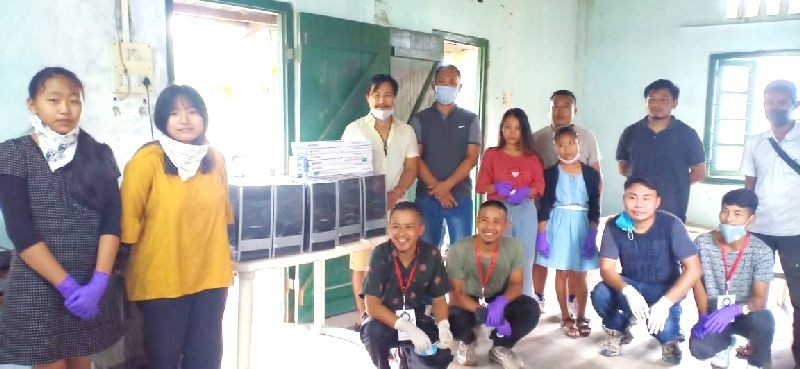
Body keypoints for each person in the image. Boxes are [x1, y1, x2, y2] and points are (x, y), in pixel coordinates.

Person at [0, 67, 123, 368]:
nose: (65, 109)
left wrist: (98, 282)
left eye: (74, 100)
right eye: (54, 100)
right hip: (38, 285)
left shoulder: (100, 153)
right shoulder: (14, 153)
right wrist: (67, 286)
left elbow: (111, 221)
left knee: (82, 364)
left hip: (90, 281)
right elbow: (21, 232)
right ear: (33, 104)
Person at [120, 85, 233, 369]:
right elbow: (127, 221)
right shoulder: (147, 161)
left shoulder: (215, 159)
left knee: (206, 356)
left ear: (203, 117)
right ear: (163, 121)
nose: (185, 120)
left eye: (192, 111)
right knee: (164, 358)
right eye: (174, 113)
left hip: (210, 276)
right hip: (162, 278)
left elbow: (223, 215)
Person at [591, 176, 701, 365]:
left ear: (657, 201)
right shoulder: (614, 225)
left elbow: (694, 268)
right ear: (624, 198)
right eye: (632, 197)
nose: (639, 204)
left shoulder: (672, 224)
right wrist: (627, 290)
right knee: (601, 293)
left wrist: (666, 303)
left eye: (646, 198)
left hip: (665, 289)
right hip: (632, 285)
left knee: (665, 331)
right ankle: (619, 329)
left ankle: (670, 337)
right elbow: (607, 268)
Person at [342, 74, 419, 328]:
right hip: (363, 209)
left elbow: (411, 167)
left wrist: (395, 194)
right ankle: (364, 316)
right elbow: (346, 168)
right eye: (377, 95)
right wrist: (370, 199)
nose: (382, 101)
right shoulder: (355, 130)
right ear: (368, 97)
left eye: (387, 95)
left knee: (396, 262)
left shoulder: (406, 131)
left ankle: (391, 314)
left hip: (397, 208)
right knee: (361, 264)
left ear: (394, 98)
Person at [741, 79, 800, 365]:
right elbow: (748, 186)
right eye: (770, 102)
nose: (775, 107)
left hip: (796, 231)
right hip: (760, 229)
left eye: (782, 102)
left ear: (794, 105)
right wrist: (742, 222)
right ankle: (756, 344)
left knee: (799, 293)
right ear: (763, 106)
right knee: (755, 291)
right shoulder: (756, 142)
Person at [531, 89, 602, 313]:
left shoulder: (587, 136)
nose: (560, 111)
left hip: (579, 210)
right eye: (555, 106)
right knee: (541, 256)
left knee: (575, 257)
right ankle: (538, 295)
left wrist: (593, 216)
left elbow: (596, 174)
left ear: (574, 110)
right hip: (546, 208)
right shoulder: (538, 137)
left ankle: (573, 300)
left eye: (566, 106)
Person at [360, 202, 453, 369]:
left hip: (417, 319)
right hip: (384, 321)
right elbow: (371, 306)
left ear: (420, 230)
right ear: (389, 228)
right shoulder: (380, 254)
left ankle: (407, 356)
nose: (401, 233)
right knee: (372, 331)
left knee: (439, 357)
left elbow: (439, 298)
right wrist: (407, 327)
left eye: (409, 227)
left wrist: (443, 325)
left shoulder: (431, 254)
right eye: (396, 226)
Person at [446, 200, 539, 369]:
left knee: (530, 308)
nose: (489, 227)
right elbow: (456, 294)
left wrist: (501, 302)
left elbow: (517, 284)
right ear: (477, 221)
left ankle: (500, 346)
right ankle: (468, 341)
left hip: (498, 295)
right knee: (452, 318)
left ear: (505, 226)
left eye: (497, 222)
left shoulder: (514, 246)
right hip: (467, 298)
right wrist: (484, 313)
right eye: (484, 220)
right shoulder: (457, 250)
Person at [689, 189, 774, 369]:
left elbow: (759, 301)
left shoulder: (762, 251)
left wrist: (735, 309)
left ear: (751, 220)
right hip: (715, 313)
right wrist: (703, 315)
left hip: (746, 312)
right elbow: (697, 284)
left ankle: (757, 360)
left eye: (738, 214)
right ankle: (724, 345)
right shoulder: (702, 244)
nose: (728, 219)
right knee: (699, 347)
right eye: (725, 211)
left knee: (764, 321)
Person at [536, 125, 601, 338]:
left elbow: (595, 205)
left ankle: (581, 315)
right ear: (555, 147)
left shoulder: (591, 174)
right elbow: (544, 205)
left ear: (579, 145)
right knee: (561, 272)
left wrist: (592, 232)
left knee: (580, 274)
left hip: (582, 224)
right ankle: (565, 316)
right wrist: (542, 234)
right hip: (558, 223)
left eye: (571, 143)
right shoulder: (551, 173)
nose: (567, 149)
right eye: (561, 145)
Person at [476, 108, 544, 297]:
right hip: (498, 211)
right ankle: (498, 305)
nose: (512, 132)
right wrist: (496, 187)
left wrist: (526, 191)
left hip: (525, 211)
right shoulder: (492, 154)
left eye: (517, 128)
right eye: (507, 127)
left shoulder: (532, 158)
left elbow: (539, 186)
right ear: (501, 129)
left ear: (524, 130)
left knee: (525, 257)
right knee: (498, 258)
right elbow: (481, 185)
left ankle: (525, 304)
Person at [410, 65, 481, 248]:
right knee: (425, 252)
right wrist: (438, 189)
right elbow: (415, 158)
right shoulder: (420, 119)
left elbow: (472, 158)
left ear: (459, 87)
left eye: (452, 83)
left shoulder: (470, 119)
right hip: (427, 196)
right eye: (442, 82)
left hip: (460, 196)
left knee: (460, 253)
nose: (447, 86)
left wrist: (446, 186)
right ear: (433, 85)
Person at [616, 79, 705, 223]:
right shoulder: (631, 132)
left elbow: (699, 172)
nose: (656, 105)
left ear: (674, 102)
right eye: (651, 100)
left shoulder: (687, 134)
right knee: (634, 243)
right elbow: (623, 167)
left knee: (669, 243)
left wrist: (674, 184)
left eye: (664, 100)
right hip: (638, 208)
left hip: (673, 208)